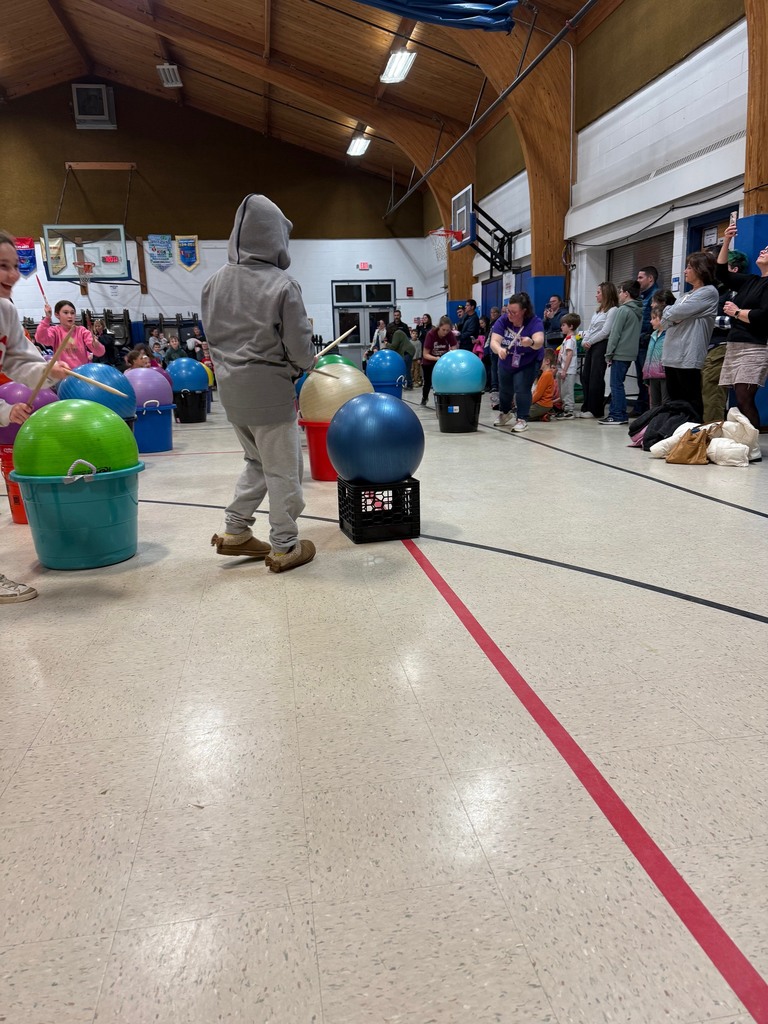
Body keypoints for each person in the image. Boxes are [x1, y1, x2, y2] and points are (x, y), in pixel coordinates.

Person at [202, 193, 316, 573]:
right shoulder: (282, 284)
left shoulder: (212, 283)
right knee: (284, 470)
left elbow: (214, 339)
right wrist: (306, 363)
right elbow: (299, 346)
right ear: (275, 236)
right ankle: (285, 545)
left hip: (231, 393)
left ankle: (236, 530)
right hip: (270, 394)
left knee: (256, 461)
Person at [0, 230, 68, 603]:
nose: (12, 275)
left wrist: (48, 370)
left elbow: (17, 360)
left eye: (14, 266)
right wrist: (4, 411)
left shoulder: (6, 310)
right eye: (2, 266)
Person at [715, 223, 768, 431]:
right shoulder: (751, 281)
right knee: (739, 396)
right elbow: (721, 273)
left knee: (745, 396)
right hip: (735, 344)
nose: (763, 250)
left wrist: (737, 312)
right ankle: (744, 438)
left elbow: (764, 315)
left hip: (756, 345)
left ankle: (751, 441)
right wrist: (727, 241)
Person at [660, 251, 719, 421]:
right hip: (671, 355)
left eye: (689, 267)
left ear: (701, 269)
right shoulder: (685, 295)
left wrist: (672, 314)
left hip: (688, 355)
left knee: (690, 401)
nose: (685, 271)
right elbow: (665, 319)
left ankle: (691, 432)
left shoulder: (708, 292)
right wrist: (672, 314)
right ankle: (674, 430)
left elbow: (675, 313)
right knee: (674, 402)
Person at [702, 247, 749, 423]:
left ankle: (712, 431)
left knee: (713, 393)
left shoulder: (737, 291)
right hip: (711, 346)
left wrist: (706, 320)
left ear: (734, 269)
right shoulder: (719, 290)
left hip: (723, 346)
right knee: (706, 392)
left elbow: (736, 320)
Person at [490, 292, 545, 433]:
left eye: (514, 312)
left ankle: (522, 419)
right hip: (507, 360)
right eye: (508, 311)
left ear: (524, 311)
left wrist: (531, 342)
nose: (510, 314)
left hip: (528, 361)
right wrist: (499, 349)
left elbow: (539, 341)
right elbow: (494, 341)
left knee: (522, 388)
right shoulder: (503, 320)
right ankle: (505, 412)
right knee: (505, 389)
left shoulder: (534, 322)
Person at [600, 280, 643, 425]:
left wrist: (609, 353)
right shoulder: (638, 310)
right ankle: (620, 413)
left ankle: (617, 414)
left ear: (626, 293)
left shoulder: (623, 310)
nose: (619, 295)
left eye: (620, 291)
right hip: (630, 352)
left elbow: (615, 333)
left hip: (620, 352)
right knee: (619, 383)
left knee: (616, 384)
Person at [578, 282, 618, 419]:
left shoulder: (612, 310)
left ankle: (595, 409)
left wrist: (590, 341)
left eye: (599, 292)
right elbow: (591, 328)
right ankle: (586, 406)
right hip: (591, 345)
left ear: (606, 293)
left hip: (601, 345)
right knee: (586, 376)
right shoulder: (598, 311)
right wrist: (584, 340)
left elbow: (605, 331)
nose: (596, 295)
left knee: (596, 377)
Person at [35, 299, 105, 370]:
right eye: (66, 313)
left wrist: (96, 345)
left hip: (81, 372)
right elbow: (40, 338)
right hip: (63, 373)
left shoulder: (82, 331)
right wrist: (47, 318)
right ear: (57, 315)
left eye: (72, 313)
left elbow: (100, 353)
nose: (70, 316)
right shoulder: (55, 331)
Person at [632, 266, 660, 414]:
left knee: (647, 378)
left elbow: (654, 320)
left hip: (647, 341)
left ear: (650, 279)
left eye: (640, 277)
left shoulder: (655, 295)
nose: (638, 280)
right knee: (641, 377)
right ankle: (641, 407)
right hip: (640, 341)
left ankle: (647, 409)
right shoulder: (641, 297)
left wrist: (645, 337)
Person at [643, 289, 675, 408]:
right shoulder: (653, 335)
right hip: (652, 375)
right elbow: (649, 356)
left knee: (665, 402)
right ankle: (653, 419)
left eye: (653, 318)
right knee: (653, 403)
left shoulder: (669, 334)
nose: (651, 321)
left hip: (664, 375)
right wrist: (646, 373)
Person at [421, 315, 457, 406]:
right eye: (443, 330)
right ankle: (424, 398)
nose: (445, 332)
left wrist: (451, 356)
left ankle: (444, 399)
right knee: (428, 382)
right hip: (429, 362)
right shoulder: (431, 334)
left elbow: (454, 349)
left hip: (443, 362)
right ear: (439, 327)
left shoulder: (450, 335)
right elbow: (425, 354)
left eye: (447, 330)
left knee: (444, 381)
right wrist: (437, 358)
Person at [555, 312, 580, 418]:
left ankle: (569, 410)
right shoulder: (566, 339)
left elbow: (569, 355)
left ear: (571, 326)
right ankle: (564, 408)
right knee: (563, 391)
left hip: (568, 370)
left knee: (567, 391)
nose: (561, 327)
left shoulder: (570, 340)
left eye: (563, 325)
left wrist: (564, 370)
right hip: (564, 369)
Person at [528, 348, 558, 421]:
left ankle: (543, 414)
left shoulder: (546, 375)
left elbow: (538, 394)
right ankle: (543, 415)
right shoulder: (546, 374)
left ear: (547, 361)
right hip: (542, 404)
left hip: (542, 404)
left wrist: (528, 403)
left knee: (521, 415)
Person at [488, 306, 501, 408]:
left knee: (497, 370)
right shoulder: (491, 324)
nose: (492, 314)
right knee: (494, 369)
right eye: (491, 312)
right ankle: (494, 389)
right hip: (493, 350)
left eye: (494, 312)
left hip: (500, 350)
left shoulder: (500, 323)